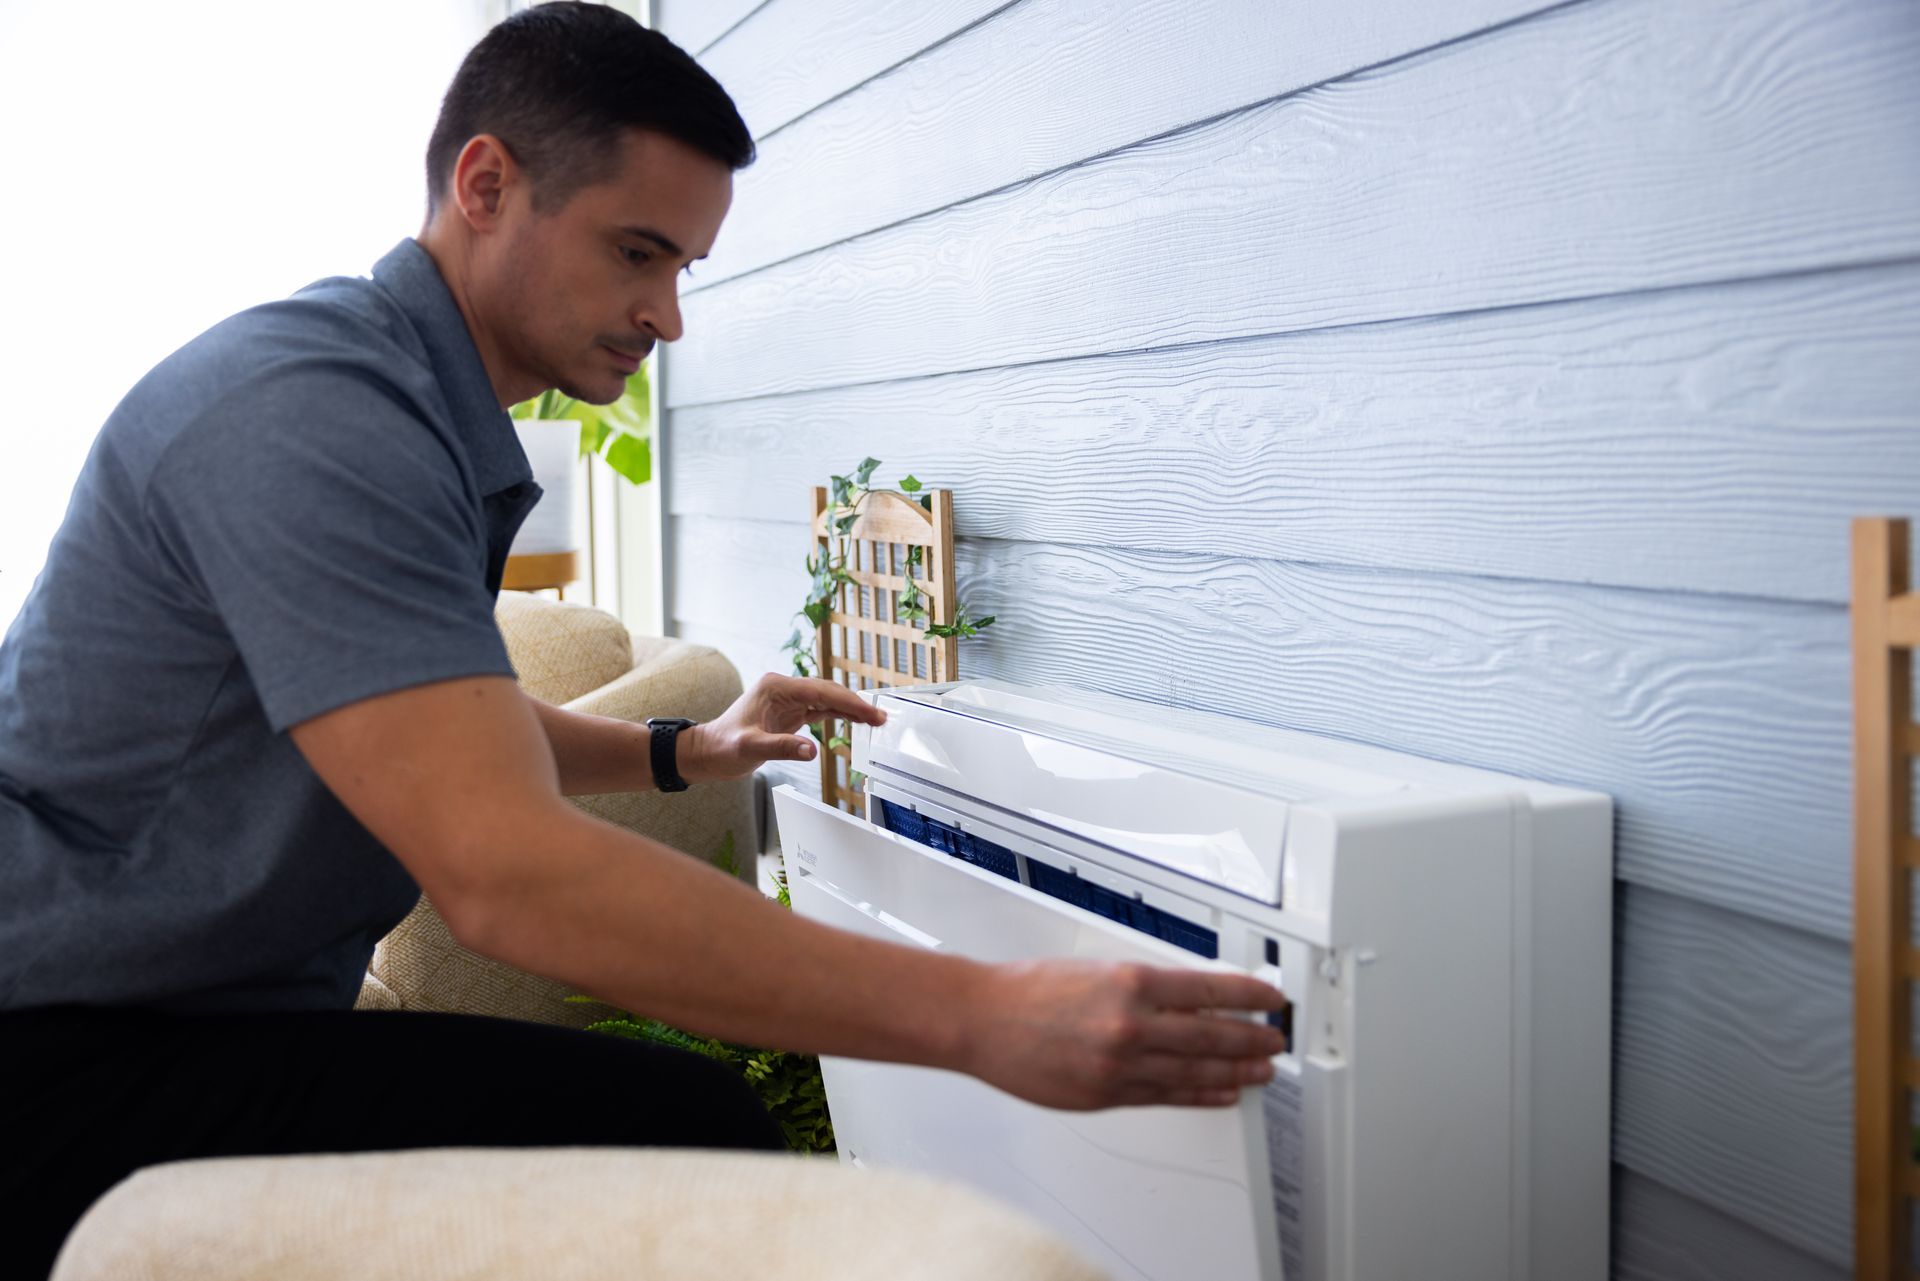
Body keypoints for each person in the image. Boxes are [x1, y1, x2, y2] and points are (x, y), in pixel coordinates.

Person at [0, 4, 1285, 1274]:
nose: (667, 317)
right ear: (487, 183)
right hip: (63, 1051)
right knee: (692, 1128)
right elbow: (504, 874)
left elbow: (451, 745)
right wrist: (989, 1016)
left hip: (198, 1024)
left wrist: (692, 748)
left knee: (676, 1127)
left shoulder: (402, 410)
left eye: (682, 270)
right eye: (636, 254)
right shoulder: (315, 416)